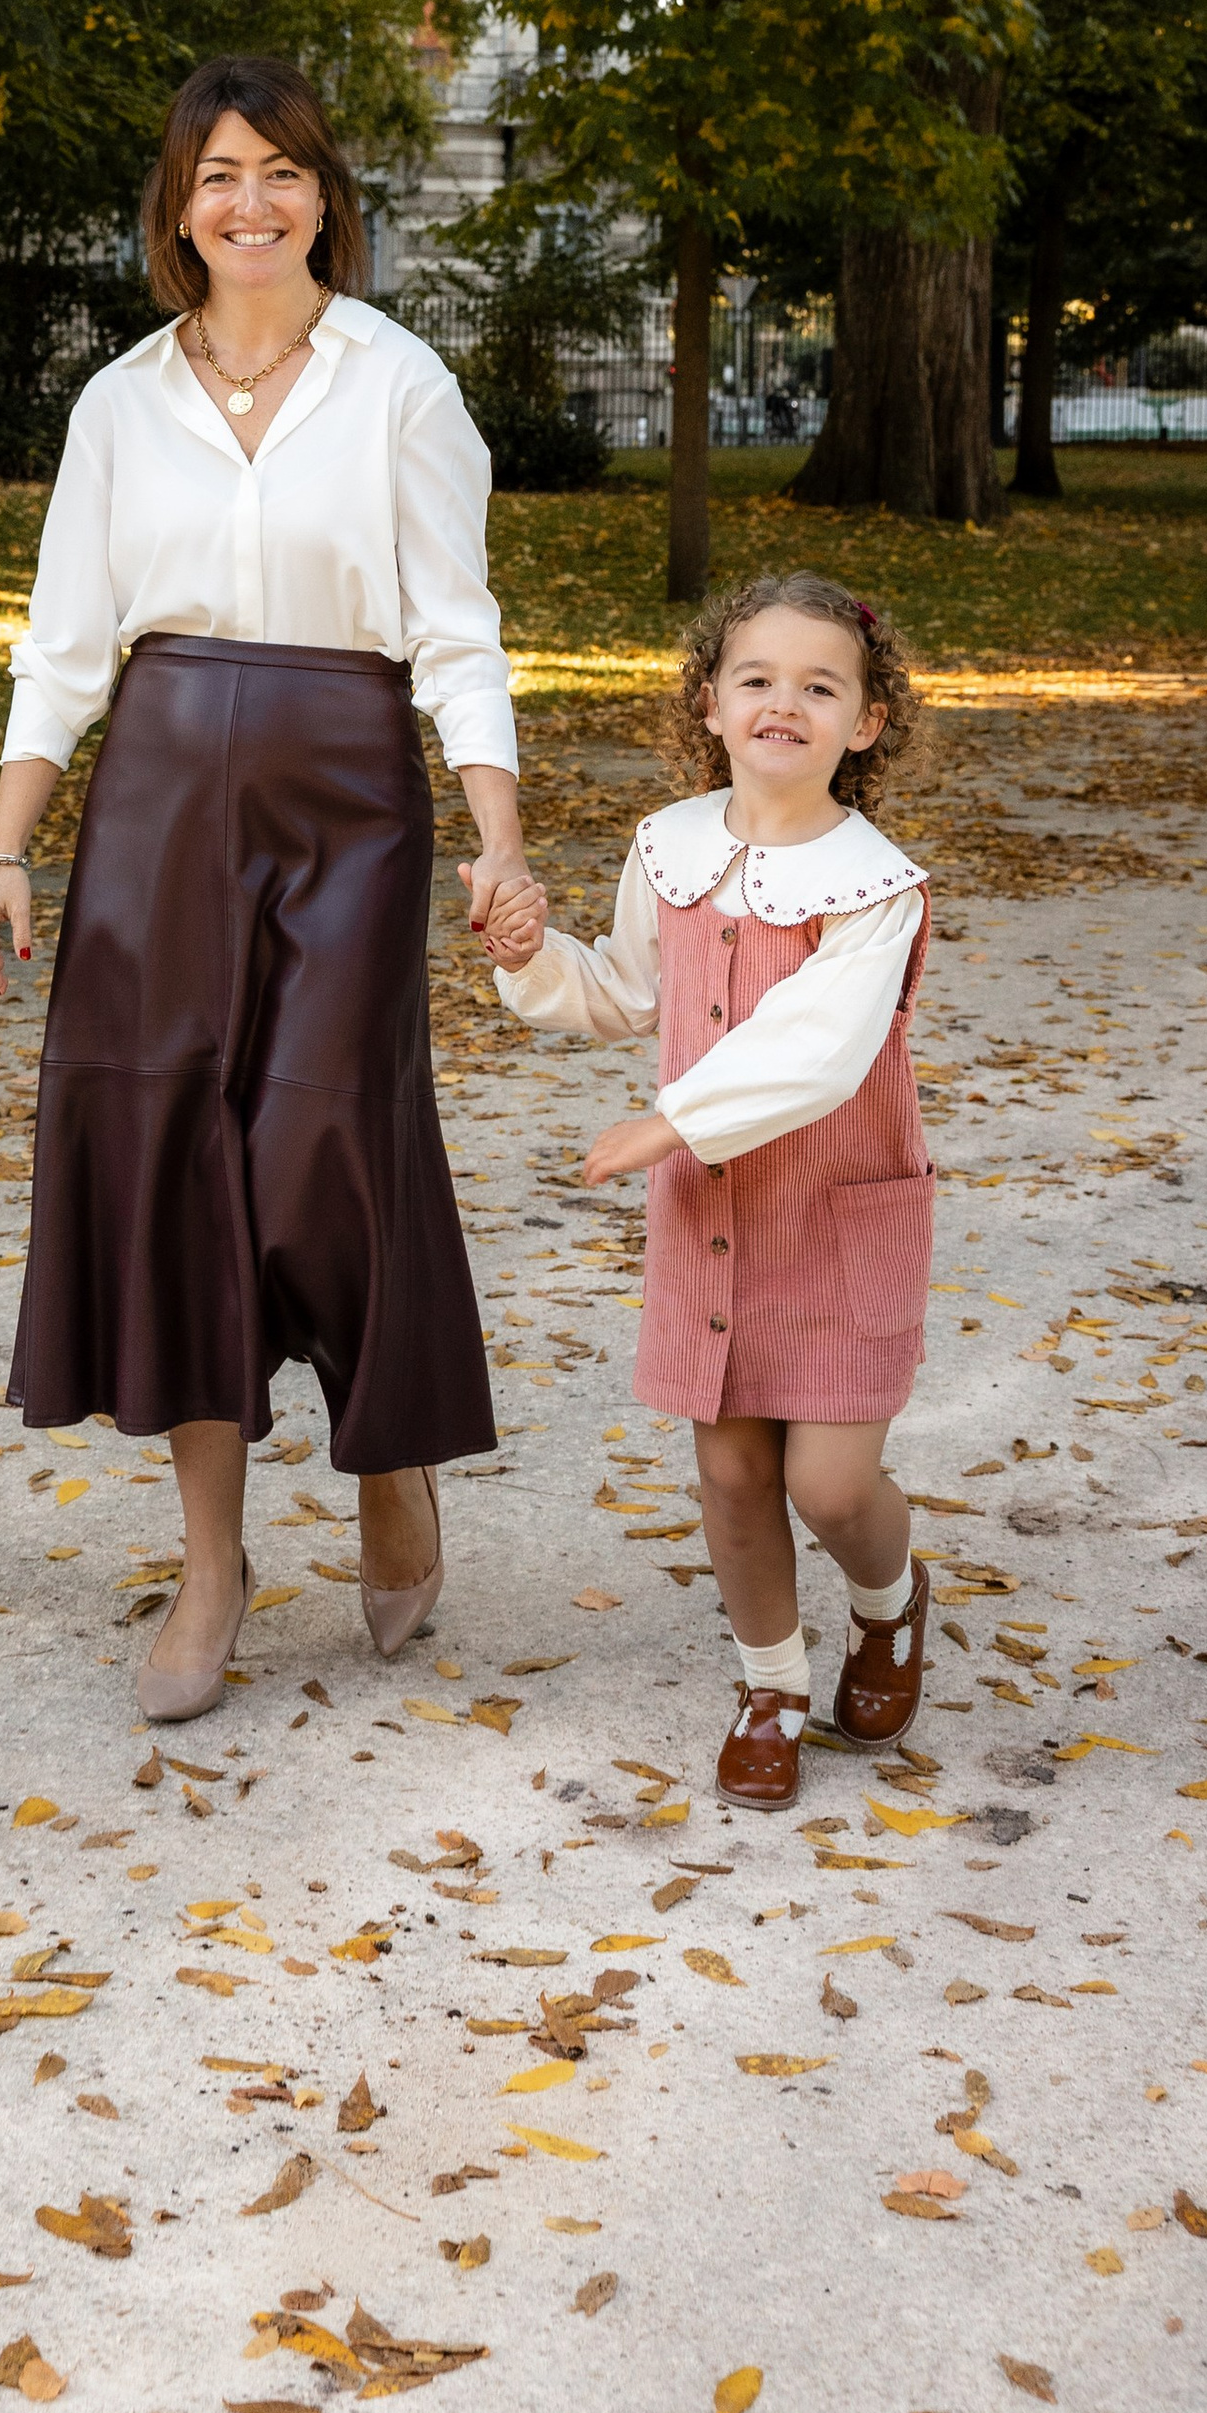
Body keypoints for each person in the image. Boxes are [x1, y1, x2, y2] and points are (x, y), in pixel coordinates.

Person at [0, 52, 531, 1723]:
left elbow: (458, 630)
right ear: (180, 208)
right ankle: (213, 1563)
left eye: (282, 170)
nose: (253, 201)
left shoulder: (402, 385)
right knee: (171, 1155)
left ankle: (388, 1454)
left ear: (324, 198)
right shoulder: (119, 403)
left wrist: (498, 832)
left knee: (320, 1145)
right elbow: (62, 647)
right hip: (156, 799)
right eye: (220, 174)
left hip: (348, 791)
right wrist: (8, 848)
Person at [483, 573, 934, 1810]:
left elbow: (820, 1045)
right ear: (709, 702)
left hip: (836, 1214)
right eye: (756, 678)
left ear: (866, 723)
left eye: (819, 685)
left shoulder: (876, 884)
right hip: (712, 1217)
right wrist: (534, 958)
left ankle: (888, 1609)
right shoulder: (668, 847)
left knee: (827, 1485)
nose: (783, 701)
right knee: (733, 1477)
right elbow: (630, 990)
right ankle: (772, 1686)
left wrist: (668, 1121)